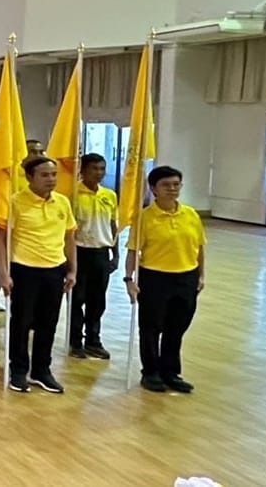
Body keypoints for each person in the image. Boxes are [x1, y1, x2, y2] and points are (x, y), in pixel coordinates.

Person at [0, 155, 76, 394]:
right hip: (24, 269)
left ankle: (42, 370)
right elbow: (0, 240)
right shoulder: (14, 202)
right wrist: (3, 273)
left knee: (48, 323)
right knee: (21, 322)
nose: (51, 179)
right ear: (29, 177)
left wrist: (72, 269)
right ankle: (18, 370)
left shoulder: (62, 202)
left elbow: (69, 238)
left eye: (53, 174)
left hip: (55, 269)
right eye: (44, 175)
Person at [129, 166, 206, 394]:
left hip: (186, 277)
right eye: (165, 185)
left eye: (176, 184)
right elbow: (133, 251)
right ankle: (150, 372)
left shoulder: (191, 215)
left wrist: (201, 274)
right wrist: (129, 279)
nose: (172, 189)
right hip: (155, 278)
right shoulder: (144, 218)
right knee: (151, 328)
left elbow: (199, 247)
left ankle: (170, 372)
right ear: (154, 189)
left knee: (177, 327)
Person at [70, 153, 119, 360]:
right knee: (77, 299)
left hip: (101, 253)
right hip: (80, 252)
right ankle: (75, 341)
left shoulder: (109, 195)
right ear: (83, 171)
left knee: (97, 300)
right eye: (94, 169)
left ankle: (93, 340)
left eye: (102, 168)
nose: (99, 173)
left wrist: (115, 254)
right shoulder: (72, 195)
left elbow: (112, 224)